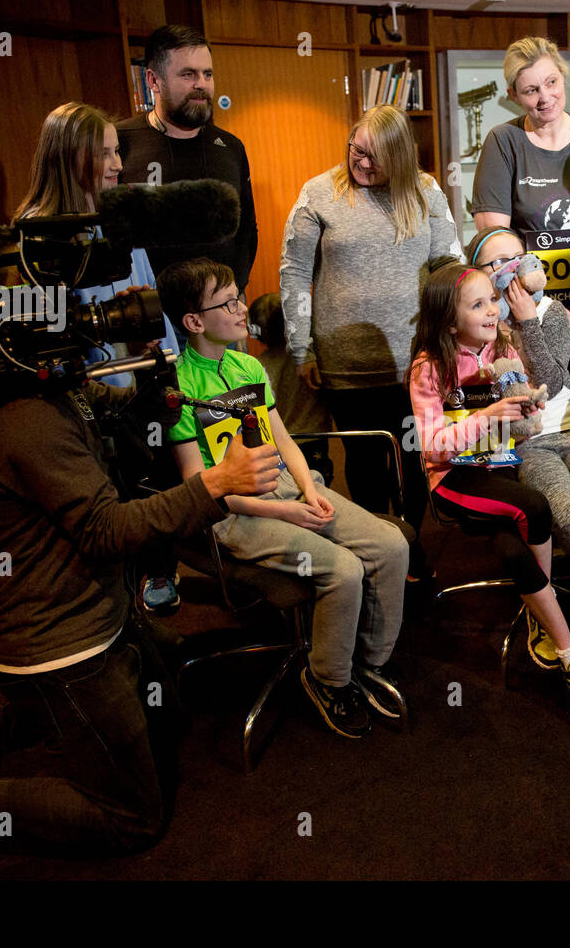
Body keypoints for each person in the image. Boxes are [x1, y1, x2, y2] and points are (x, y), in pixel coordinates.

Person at [0, 305, 282, 880]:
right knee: (132, 817)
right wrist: (216, 483)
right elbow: (105, 532)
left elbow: (107, 412)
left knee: (169, 716)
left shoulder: (51, 390)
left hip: (104, 613)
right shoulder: (27, 420)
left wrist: (153, 397)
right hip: (60, 642)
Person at [163, 258, 410, 740]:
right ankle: (328, 679)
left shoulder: (247, 363)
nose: (241, 309)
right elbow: (202, 489)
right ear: (194, 322)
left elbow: (284, 441)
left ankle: (368, 662)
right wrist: (286, 510)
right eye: (228, 302)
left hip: (285, 485)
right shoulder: (177, 388)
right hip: (233, 511)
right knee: (343, 569)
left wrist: (309, 489)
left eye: (239, 296)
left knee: (390, 545)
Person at [408, 259, 570, 725]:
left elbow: (526, 429)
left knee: (514, 553)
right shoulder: (428, 368)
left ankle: (543, 616)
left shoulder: (505, 348)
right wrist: (489, 415)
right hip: (454, 479)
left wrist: (527, 408)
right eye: (478, 304)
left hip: (503, 465)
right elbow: (433, 447)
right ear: (449, 319)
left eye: (493, 300)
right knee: (534, 507)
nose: (493, 310)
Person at [14, 101, 184, 615]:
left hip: (141, 387)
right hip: (86, 402)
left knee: (153, 490)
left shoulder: (120, 221)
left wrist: (163, 355)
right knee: (109, 516)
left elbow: (148, 296)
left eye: (117, 152)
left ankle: (158, 578)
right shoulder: (34, 237)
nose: (116, 165)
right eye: (105, 153)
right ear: (70, 157)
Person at [280, 104, 461, 579]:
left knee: (416, 458)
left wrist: (459, 336)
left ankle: (409, 542)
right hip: (345, 364)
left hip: (416, 362)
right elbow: (295, 272)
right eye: (355, 150)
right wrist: (302, 346)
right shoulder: (318, 193)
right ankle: (379, 550)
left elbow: (448, 262)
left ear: (400, 158)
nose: (360, 163)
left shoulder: (425, 191)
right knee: (364, 465)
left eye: (374, 157)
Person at [466, 225, 570, 617]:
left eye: (517, 257)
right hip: (528, 439)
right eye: (498, 262)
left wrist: (530, 322)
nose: (512, 268)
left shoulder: (553, 312)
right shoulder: (479, 319)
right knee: (566, 514)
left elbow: (552, 380)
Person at [471, 36, 570, 392]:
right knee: (543, 403)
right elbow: (493, 249)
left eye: (552, 82)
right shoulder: (503, 142)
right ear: (513, 95)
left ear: (563, 76)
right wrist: (536, 308)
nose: (545, 98)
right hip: (532, 312)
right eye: (530, 90)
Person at [116, 24, 258, 296]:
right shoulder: (119, 143)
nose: (201, 84)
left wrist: (236, 287)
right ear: (153, 81)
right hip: (152, 316)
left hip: (218, 315)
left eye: (207, 74)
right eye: (188, 74)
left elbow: (247, 229)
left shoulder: (230, 147)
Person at [247, 292, 335, 487]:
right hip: (313, 438)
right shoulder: (310, 363)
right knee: (319, 487)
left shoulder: (256, 366)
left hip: (276, 444)